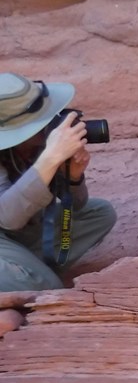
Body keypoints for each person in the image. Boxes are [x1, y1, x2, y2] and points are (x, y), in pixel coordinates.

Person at [0, 72, 116, 292]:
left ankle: (19, 267)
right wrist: (50, 159)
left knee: (100, 213)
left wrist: (73, 177)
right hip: (5, 223)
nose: (49, 127)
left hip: (13, 231)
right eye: (41, 123)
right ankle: (23, 272)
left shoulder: (28, 147)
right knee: (45, 284)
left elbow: (79, 206)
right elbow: (8, 218)